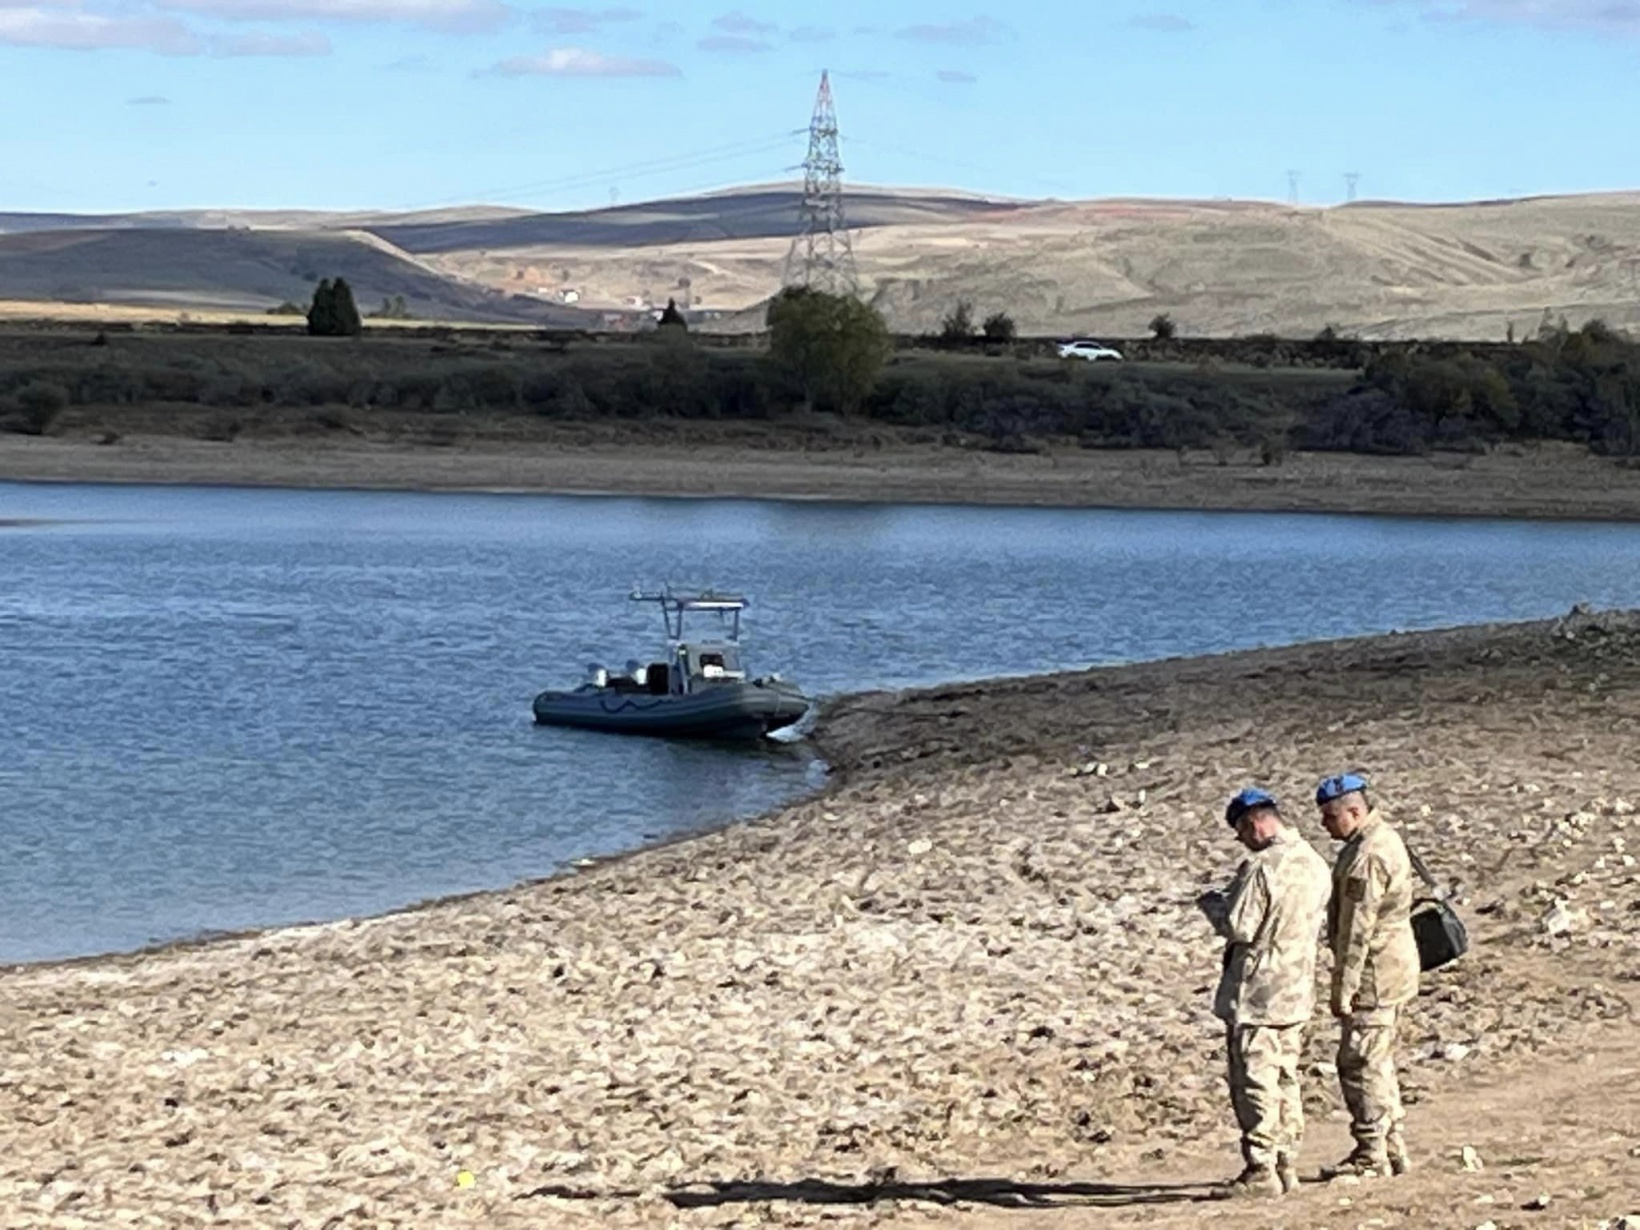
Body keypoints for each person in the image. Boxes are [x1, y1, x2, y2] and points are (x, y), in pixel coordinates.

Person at [1198, 787, 1332, 1198]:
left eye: (1241, 830)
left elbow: (1241, 925)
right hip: (1296, 989)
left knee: (1255, 1079)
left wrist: (1212, 905)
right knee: (1286, 1077)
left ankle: (1261, 1168)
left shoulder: (1263, 867)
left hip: (1258, 992)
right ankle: (1286, 1161)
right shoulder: (1314, 862)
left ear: (1255, 822)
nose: (1241, 840)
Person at [1315, 772, 1420, 1180]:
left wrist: (1344, 989)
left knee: (1361, 1062)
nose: (1325, 825)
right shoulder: (1379, 840)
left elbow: (1356, 932)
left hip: (1376, 973)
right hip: (1393, 967)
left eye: (1330, 816)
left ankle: (1372, 1152)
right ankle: (1391, 1147)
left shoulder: (1367, 856)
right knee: (1377, 1060)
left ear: (1354, 811)